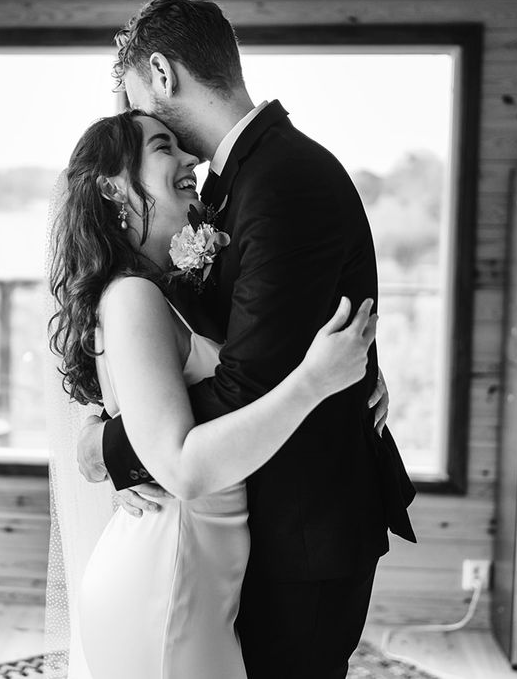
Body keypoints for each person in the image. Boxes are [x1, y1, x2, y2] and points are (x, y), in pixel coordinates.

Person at [74, 0, 416, 679]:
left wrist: (119, 447)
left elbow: (244, 386)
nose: (136, 118)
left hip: (303, 534)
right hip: (251, 532)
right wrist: (116, 427)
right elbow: (222, 348)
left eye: (138, 101)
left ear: (163, 75)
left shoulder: (284, 180)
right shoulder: (242, 183)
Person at [47, 111, 379, 678]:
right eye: (162, 148)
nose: (190, 161)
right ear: (112, 187)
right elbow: (183, 469)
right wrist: (317, 380)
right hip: (165, 583)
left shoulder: (162, 291)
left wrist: (104, 444)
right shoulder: (132, 297)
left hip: (198, 579)